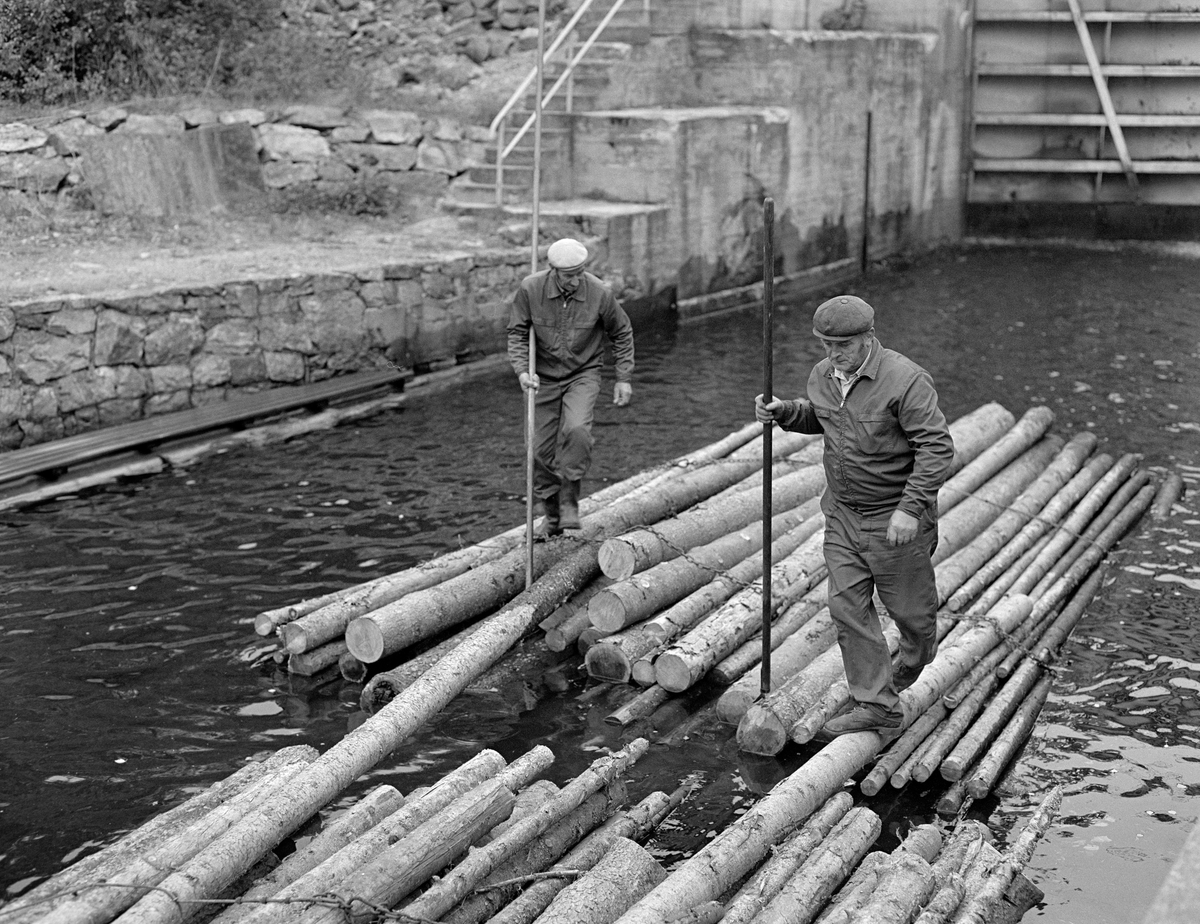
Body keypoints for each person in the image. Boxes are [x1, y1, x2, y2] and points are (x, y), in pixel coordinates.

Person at [755, 294, 955, 736]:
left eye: (841, 346)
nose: (832, 355)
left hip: (895, 522)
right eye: (824, 345)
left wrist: (909, 508)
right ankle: (878, 705)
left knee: (915, 622)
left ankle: (909, 662)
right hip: (843, 515)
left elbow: (937, 447)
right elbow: (824, 419)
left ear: (868, 337)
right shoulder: (824, 375)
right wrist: (786, 413)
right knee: (846, 608)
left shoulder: (906, 380)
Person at [507, 238, 635, 536]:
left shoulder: (599, 293)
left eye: (580, 272)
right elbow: (516, 334)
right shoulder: (530, 289)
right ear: (553, 271)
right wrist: (523, 372)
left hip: (583, 372)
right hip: (543, 377)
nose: (576, 280)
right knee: (537, 449)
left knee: (577, 431)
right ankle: (551, 515)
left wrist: (623, 378)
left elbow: (622, 332)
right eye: (569, 275)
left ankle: (569, 503)